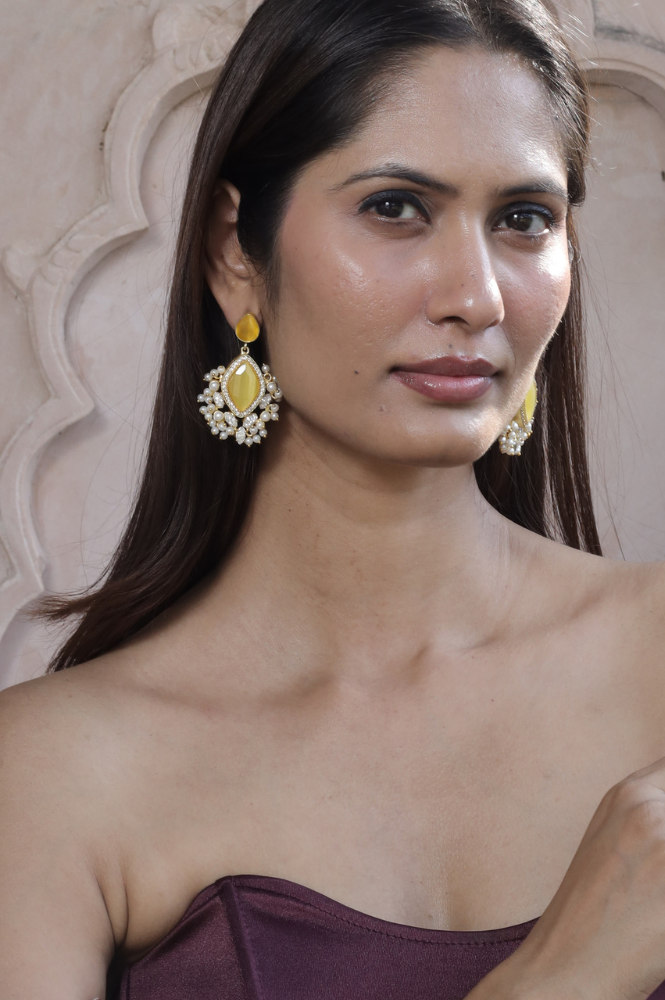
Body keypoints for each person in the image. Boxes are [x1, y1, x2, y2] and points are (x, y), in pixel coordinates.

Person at [2, 0, 665, 997]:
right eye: (395, 207)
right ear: (235, 252)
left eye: (522, 219)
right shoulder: (49, 773)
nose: (476, 297)